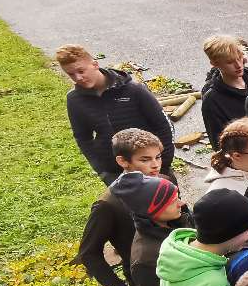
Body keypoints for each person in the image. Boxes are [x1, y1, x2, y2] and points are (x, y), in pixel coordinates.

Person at [56, 44, 175, 184]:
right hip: (115, 173)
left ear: (95, 64)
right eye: (71, 74)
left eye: (81, 70)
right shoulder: (74, 100)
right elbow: (82, 138)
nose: (78, 77)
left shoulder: (133, 90)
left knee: (173, 205)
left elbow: (164, 125)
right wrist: (102, 170)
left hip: (152, 168)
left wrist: (163, 164)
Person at [76, 128, 164, 286]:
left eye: (158, 157)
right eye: (145, 160)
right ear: (123, 161)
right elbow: (89, 253)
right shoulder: (108, 204)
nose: (156, 165)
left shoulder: (164, 182)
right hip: (148, 285)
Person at [200, 35, 248, 148]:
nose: (238, 65)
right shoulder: (212, 100)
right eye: (230, 62)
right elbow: (220, 144)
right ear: (215, 64)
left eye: (239, 58)